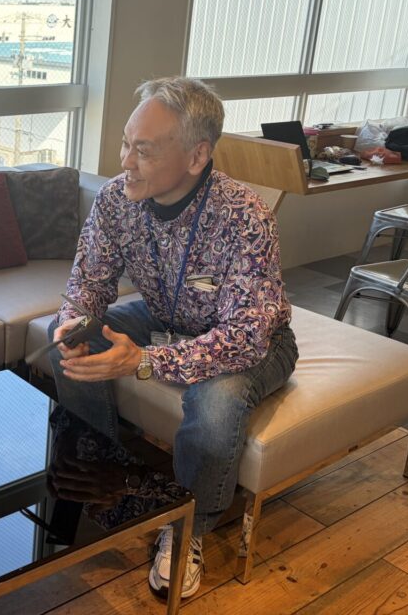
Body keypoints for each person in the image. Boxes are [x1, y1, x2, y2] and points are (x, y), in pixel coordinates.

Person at [48, 77, 297, 599]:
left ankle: (188, 528)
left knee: (215, 403)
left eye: (143, 151)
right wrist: (74, 321)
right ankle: (106, 475)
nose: (125, 161)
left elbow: (244, 338)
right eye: (125, 144)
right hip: (164, 318)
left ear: (196, 155)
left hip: (251, 342)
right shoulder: (116, 201)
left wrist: (144, 361)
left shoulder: (245, 218)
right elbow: (88, 284)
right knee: (67, 340)